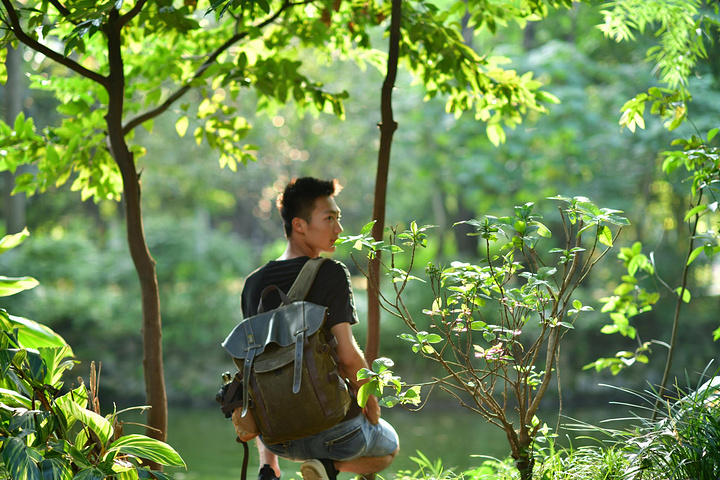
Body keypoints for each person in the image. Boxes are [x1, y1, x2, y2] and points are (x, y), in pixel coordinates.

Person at [240, 177, 399, 480]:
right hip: (336, 431)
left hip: (277, 438)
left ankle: (280, 466)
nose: (338, 229)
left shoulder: (253, 284)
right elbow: (350, 357)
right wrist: (372, 405)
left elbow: (257, 372)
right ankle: (328, 467)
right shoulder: (330, 272)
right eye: (329, 218)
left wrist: (268, 462)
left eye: (338, 218)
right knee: (389, 447)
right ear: (299, 225)